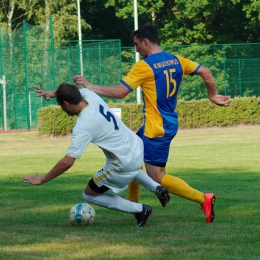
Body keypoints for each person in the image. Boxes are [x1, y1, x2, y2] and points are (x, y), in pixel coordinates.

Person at [72, 24, 231, 223]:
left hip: (156, 129)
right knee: (131, 154)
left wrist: (89, 86)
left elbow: (121, 92)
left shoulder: (145, 66)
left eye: (137, 45)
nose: (136, 50)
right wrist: (212, 95)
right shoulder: (176, 60)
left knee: (157, 176)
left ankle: (203, 199)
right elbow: (206, 72)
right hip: (165, 123)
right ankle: (133, 199)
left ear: (146, 41)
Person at [22, 83, 170, 228]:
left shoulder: (83, 125)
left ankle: (140, 210)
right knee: (132, 167)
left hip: (122, 163)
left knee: (89, 195)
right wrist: (51, 93)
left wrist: (43, 179)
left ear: (66, 104)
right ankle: (157, 188)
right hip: (136, 147)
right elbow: (72, 90)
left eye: (60, 105)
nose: (62, 109)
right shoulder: (89, 95)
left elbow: (67, 162)